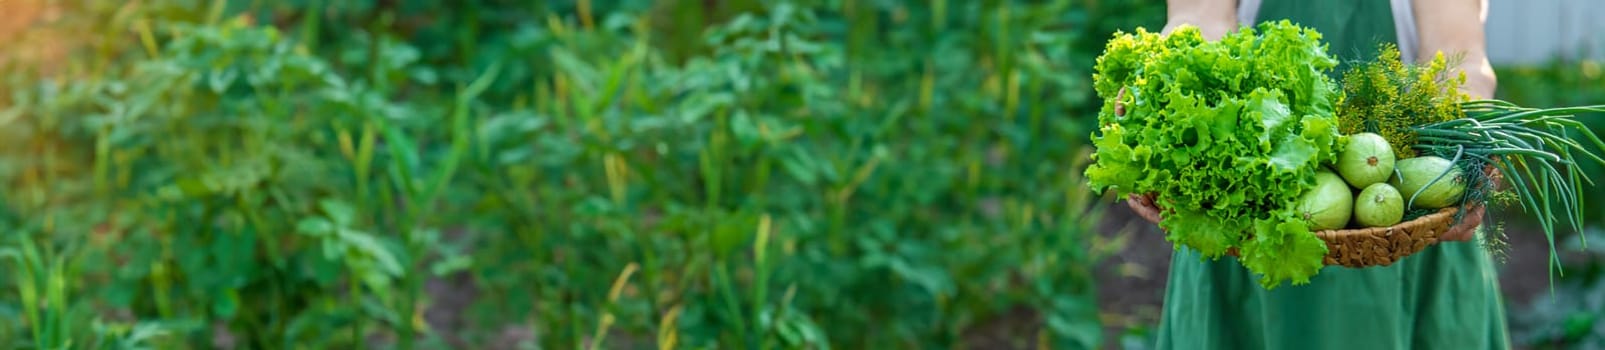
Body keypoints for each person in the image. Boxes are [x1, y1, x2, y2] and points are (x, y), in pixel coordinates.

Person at [1134, 0, 1509, 349]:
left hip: (1408, 211)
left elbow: (1459, 57)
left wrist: (1466, 140)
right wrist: (1165, 89)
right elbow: (1200, 18)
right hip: (1249, 219)